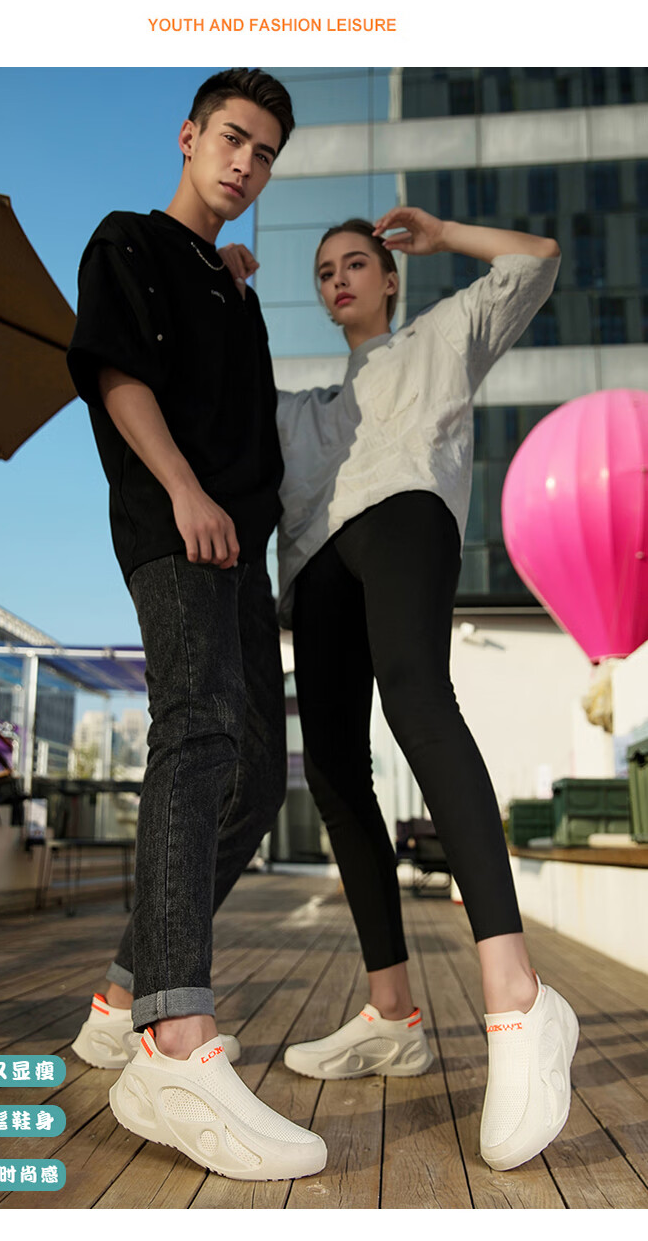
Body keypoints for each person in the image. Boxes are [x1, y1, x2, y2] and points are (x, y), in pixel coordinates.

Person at [267, 207, 579, 1173]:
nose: (339, 279)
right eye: (325, 271)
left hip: (404, 512)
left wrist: (441, 233)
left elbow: (538, 260)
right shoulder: (302, 409)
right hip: (315, 560)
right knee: (332, 770)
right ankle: (393, 1014)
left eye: (356, 263)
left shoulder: (438, 339)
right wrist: (224, 291)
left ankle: (518, 996)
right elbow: (218, 405)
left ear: (390, 278)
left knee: (415, 698)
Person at [65, 69, 327, 1183]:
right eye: (232, 137)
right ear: (188, 135)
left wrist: (230, 284)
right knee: (195, 736)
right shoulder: (127, 238)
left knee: (257, 779)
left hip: (242, 549)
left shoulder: (234, 287)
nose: (246, 164)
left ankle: (120, 995)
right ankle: (174, 1035)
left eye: (265, 153)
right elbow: (117, 375)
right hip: (176, 527)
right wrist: (181, 489)